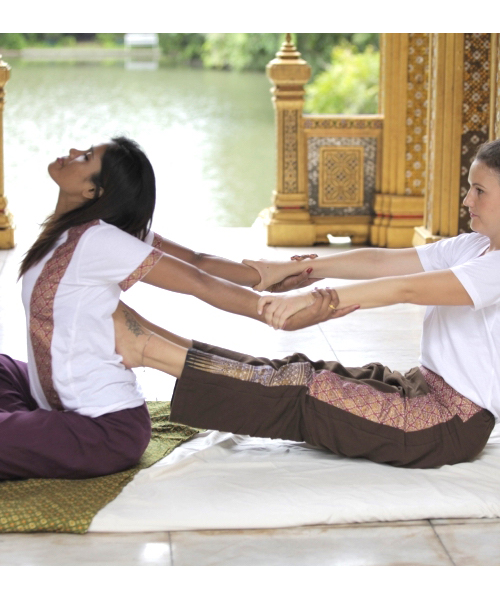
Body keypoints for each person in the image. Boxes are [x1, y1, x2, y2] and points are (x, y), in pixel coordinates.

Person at [113, 139, 500, 470]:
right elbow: (380, 261)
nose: (467, 199)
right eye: (470, 188)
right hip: (417, 385)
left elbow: (405, 289)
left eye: (479, 190)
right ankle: (147, 334)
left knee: (301, 393)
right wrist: (298, 268)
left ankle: (147, 350)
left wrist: (313, 299)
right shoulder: (474, 246)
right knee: (298, 371)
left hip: (446, 424)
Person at [0, 136, 354, 481]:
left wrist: (276, 310)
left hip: (103, 429)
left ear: (94, 190)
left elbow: (199, 279)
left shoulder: (99, 239)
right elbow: (198, 260)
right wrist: (265, 275)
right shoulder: (73, 230)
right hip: (50, 398)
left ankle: (27, 433)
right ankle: (29, 429)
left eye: (86, 156)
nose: (73, 151)